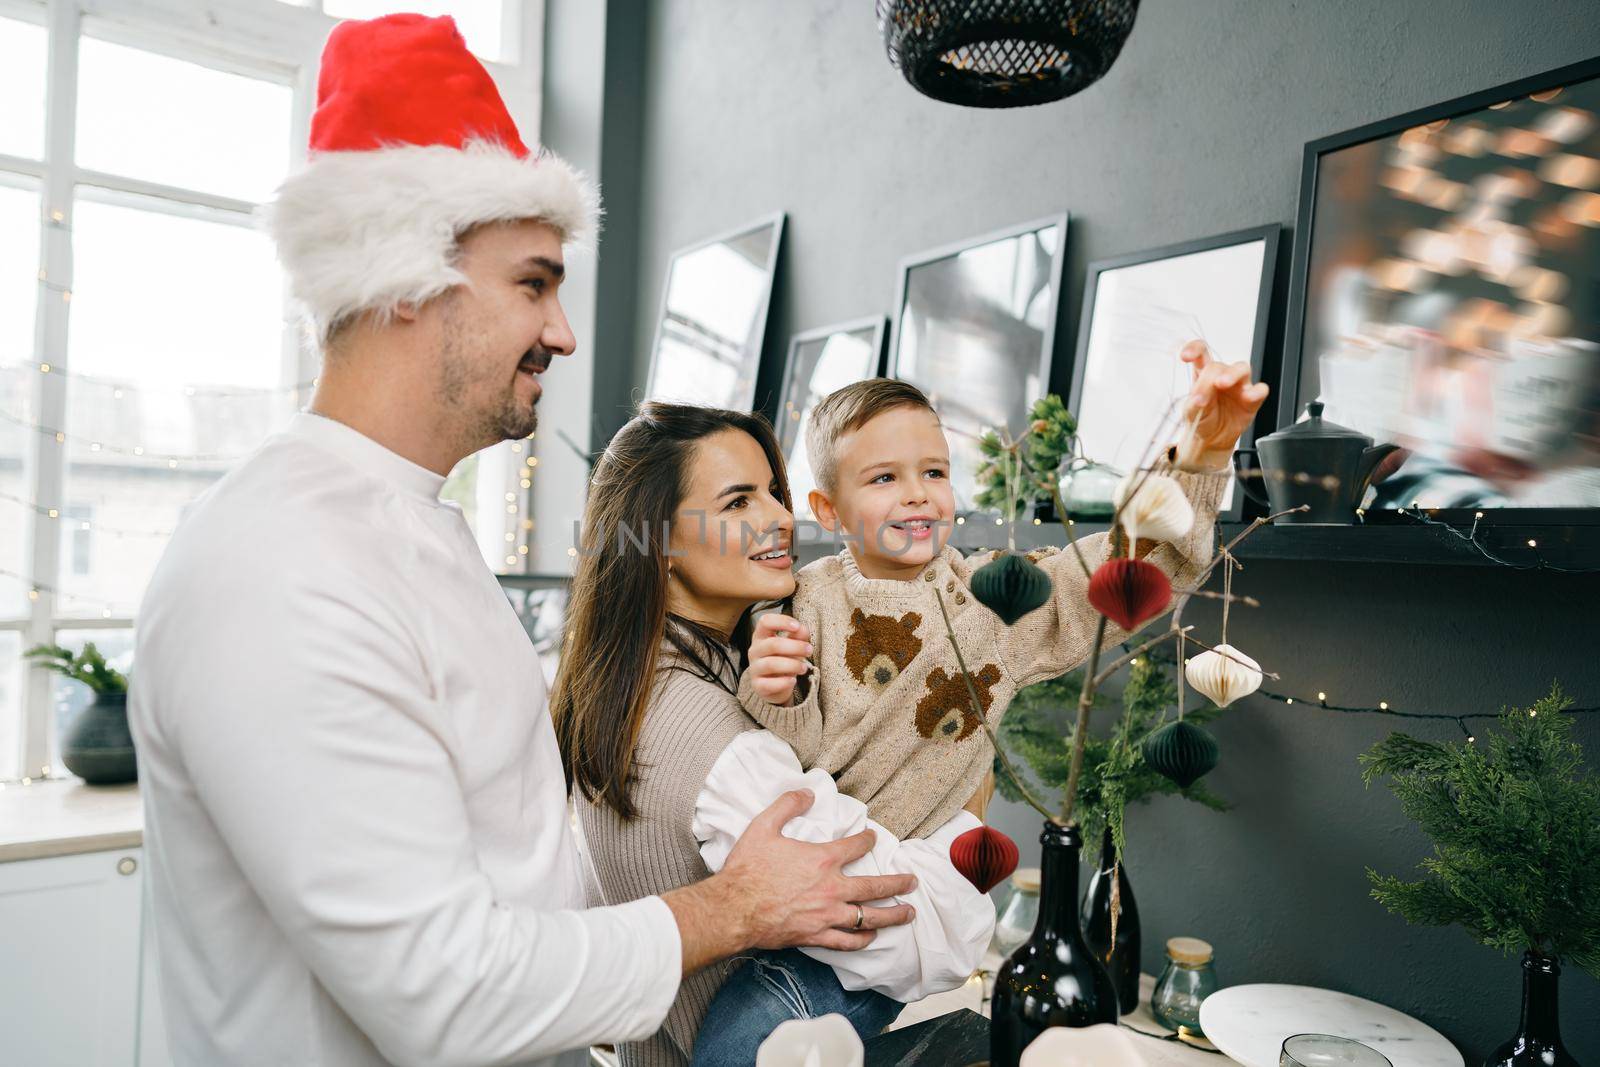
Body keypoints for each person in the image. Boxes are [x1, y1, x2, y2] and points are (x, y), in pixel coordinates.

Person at [128, 15, 916, 1067]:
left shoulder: (409, 528)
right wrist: (732, 909)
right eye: (534, 283)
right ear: (406, 281)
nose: (563, 331)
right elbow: (442, 993)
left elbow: (519, 873)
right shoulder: (277, 566)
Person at [556, 404, 995, 1067]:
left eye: (773, 492)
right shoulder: (720, 742)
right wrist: (969, 807)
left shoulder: (622, 683)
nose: (780, 518)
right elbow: (915, 936)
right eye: (737, 501)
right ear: (661, 540)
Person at [737, 346, 1267, 842]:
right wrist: (778, 697)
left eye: (933, 472)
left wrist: (1202, 453)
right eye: (883, 479)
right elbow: (775, 757)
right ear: (828, 509)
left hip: (916, 879)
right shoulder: (802, 602)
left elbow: (1125, 565)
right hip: (807, 857)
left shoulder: (991, 601)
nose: (918, 493)